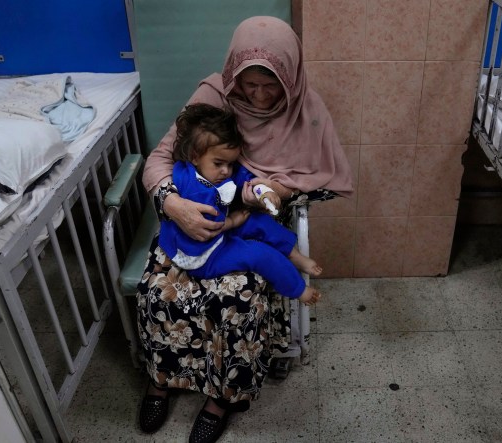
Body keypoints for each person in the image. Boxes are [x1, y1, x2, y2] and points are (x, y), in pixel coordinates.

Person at [137, 15, 353, 443]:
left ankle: (222, 399)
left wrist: (276, 189)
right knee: (156, 291)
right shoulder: (213, 94)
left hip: (251, 224)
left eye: (270, 85)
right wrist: (174, 204)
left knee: (236, 296)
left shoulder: (304, 108)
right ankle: (160, 380)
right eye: (248, 84)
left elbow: (308, 175)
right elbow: (161, 160)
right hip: (190, 219)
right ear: (234, 72)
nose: (257, 95)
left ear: (289, 77)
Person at [158, 102, 323, 305]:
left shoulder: (214, 172)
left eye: (230, 163)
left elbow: (244, 181)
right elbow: (210, 226)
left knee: (259, 221)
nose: (226, 171)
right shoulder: (193, 187)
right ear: (194, 157)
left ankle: (293, 254)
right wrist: (234, 221)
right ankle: (298, 289)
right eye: (219, 163)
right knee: (259, 254)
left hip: (218, 233)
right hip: (203, 254)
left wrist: (262, 191)